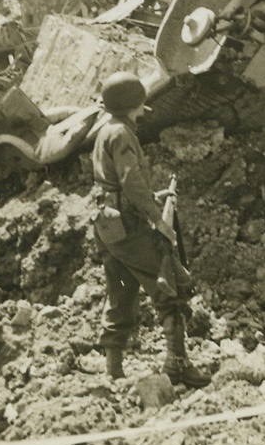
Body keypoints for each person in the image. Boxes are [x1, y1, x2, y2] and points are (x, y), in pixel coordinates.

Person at [90, 71, 210, 386]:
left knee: (121, 292)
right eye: (141, 104)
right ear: (132, 104)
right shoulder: (122, 134)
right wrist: (158, 219)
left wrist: (153, 197)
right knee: (170, 285)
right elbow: (130, 179)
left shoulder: (105, 131)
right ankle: (177, 365)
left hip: (110, 226)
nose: (144, 110)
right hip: (129, 227)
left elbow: (114, 183)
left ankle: (114, 370)